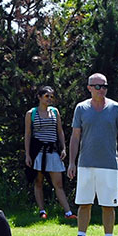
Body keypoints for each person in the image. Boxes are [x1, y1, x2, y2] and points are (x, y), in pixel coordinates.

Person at [66, 73, 118, 236]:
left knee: (108, 206)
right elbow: (75, 137)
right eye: (98, 86)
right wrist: (71, 162)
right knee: (84, 203)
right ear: (89, 88)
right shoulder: (81, 109)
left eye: (104, 86)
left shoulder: (115, 108)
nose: (101, 90)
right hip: (85, 164)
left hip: (109, 165)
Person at [23, 85, 73, 221]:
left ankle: (68, 212)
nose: (49, 99)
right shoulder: (31, 113)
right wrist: (27, 154)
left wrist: (63, 148)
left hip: (52, 150)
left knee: (59, 183)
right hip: (37, 151)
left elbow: (60, 131)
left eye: (51, 97)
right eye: (46, 96)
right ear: (39, 97)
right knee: (38, 181)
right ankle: (41, 210)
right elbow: (28, 134)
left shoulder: (55, 112)